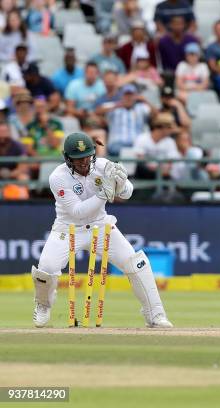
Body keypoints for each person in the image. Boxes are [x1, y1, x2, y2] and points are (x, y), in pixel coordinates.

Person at [32, 131, 173, 328]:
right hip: (68, 228)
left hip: (101, 225)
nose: (83, 162)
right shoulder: (58, 177)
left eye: (87, 157)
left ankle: (155, 314)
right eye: (78, 159)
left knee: (136, 263)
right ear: (67, 158)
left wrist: (121, 183)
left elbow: (127, 193)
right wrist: (103, 194)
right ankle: (43, 305)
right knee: (46, 268)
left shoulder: (103, 165)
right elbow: (77, 211)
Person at [99, 84, 154, 156]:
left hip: (137, 144)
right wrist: (117, 106)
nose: (128, 98)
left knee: (143, 151)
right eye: (126, 95)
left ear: (135, 96)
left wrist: (145, 100)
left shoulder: (141, 107)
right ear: (122, 96)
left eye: (131, 95)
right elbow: (97, 111)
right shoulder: (114, 106)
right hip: (117, 144)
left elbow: (156, 114)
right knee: (126, 153)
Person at [133, 113, 180, 179]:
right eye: (169, 127)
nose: (172, 130)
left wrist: (162, 169)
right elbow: (141, 160)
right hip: (145, 174)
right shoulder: (142, 138)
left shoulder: (170, 141)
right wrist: (158, 169)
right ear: (163, 127)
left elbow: (170, 163)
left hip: (163, 174)